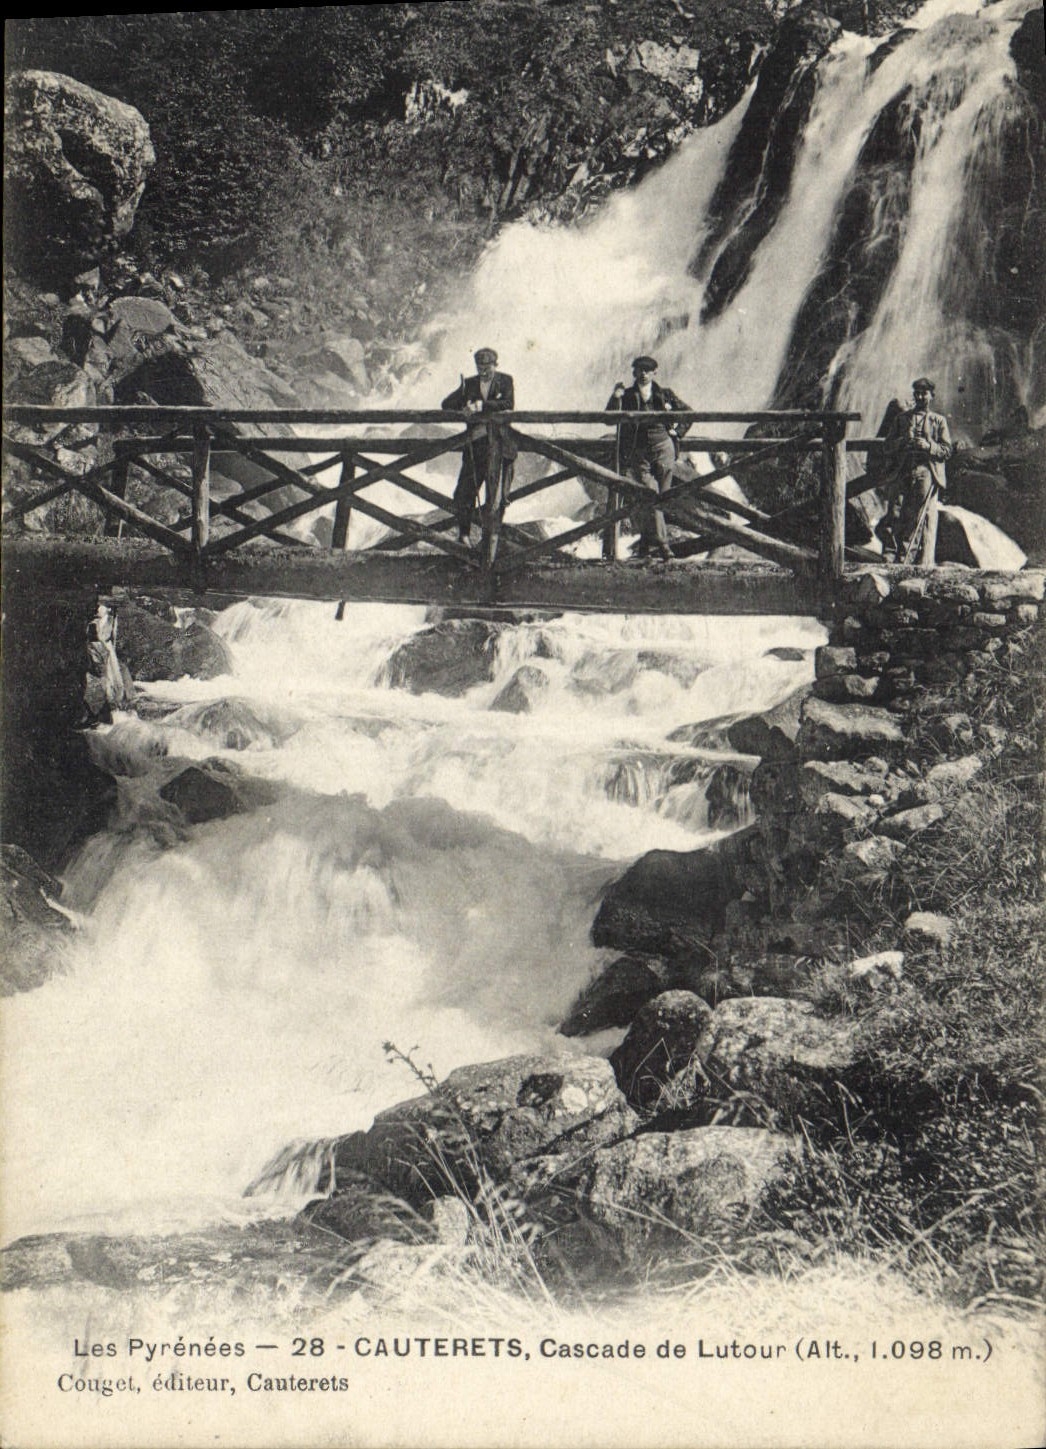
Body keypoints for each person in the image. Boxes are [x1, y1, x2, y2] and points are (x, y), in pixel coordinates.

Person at [606, 356, 692, 560]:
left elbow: (688, 413)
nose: (643, 374)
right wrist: (614, 398)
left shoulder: (665, 394)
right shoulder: (626, 394)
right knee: (649, 494)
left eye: (648, 370)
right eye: (640, 370)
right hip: (638, 451)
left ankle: (645, 544)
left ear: (655, 372)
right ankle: (664, 545)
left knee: (660, 497)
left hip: (663, 447)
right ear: (634, 372)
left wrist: (678, 433)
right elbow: (608, 420)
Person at [441, 348, 517, 544]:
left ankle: (491, 541)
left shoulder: (506, 380)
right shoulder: (470, 383)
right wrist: (462, 396)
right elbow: (446, 405)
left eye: (487, 368)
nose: (483, 372)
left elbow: (508, 403)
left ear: (495, 365)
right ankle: (464, 536)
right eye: (480, 367)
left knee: (498, 496)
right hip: (476, 448)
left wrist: (482, 406)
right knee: (464, 492)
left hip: (501, 448)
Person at [878, 377, 953, 564]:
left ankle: (905, 556)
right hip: (902, 469)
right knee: (894, 511)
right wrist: (902, 441)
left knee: (916, 515)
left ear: (931, 396)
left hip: (925, 471)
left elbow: (947, 450)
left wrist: (928, 446)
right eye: (917, 393)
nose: (920, 396)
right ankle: (889, 554)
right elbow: (886, 447)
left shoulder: (939, 421)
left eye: (924, 393)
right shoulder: (901, 419)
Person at [81, 598, 134, 724]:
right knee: (107, 675)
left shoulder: (104, 617)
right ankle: (111, 704)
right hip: (103, 647)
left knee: (108, 675)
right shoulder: (100, 620)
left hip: (104, 647)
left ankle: (111, 703)